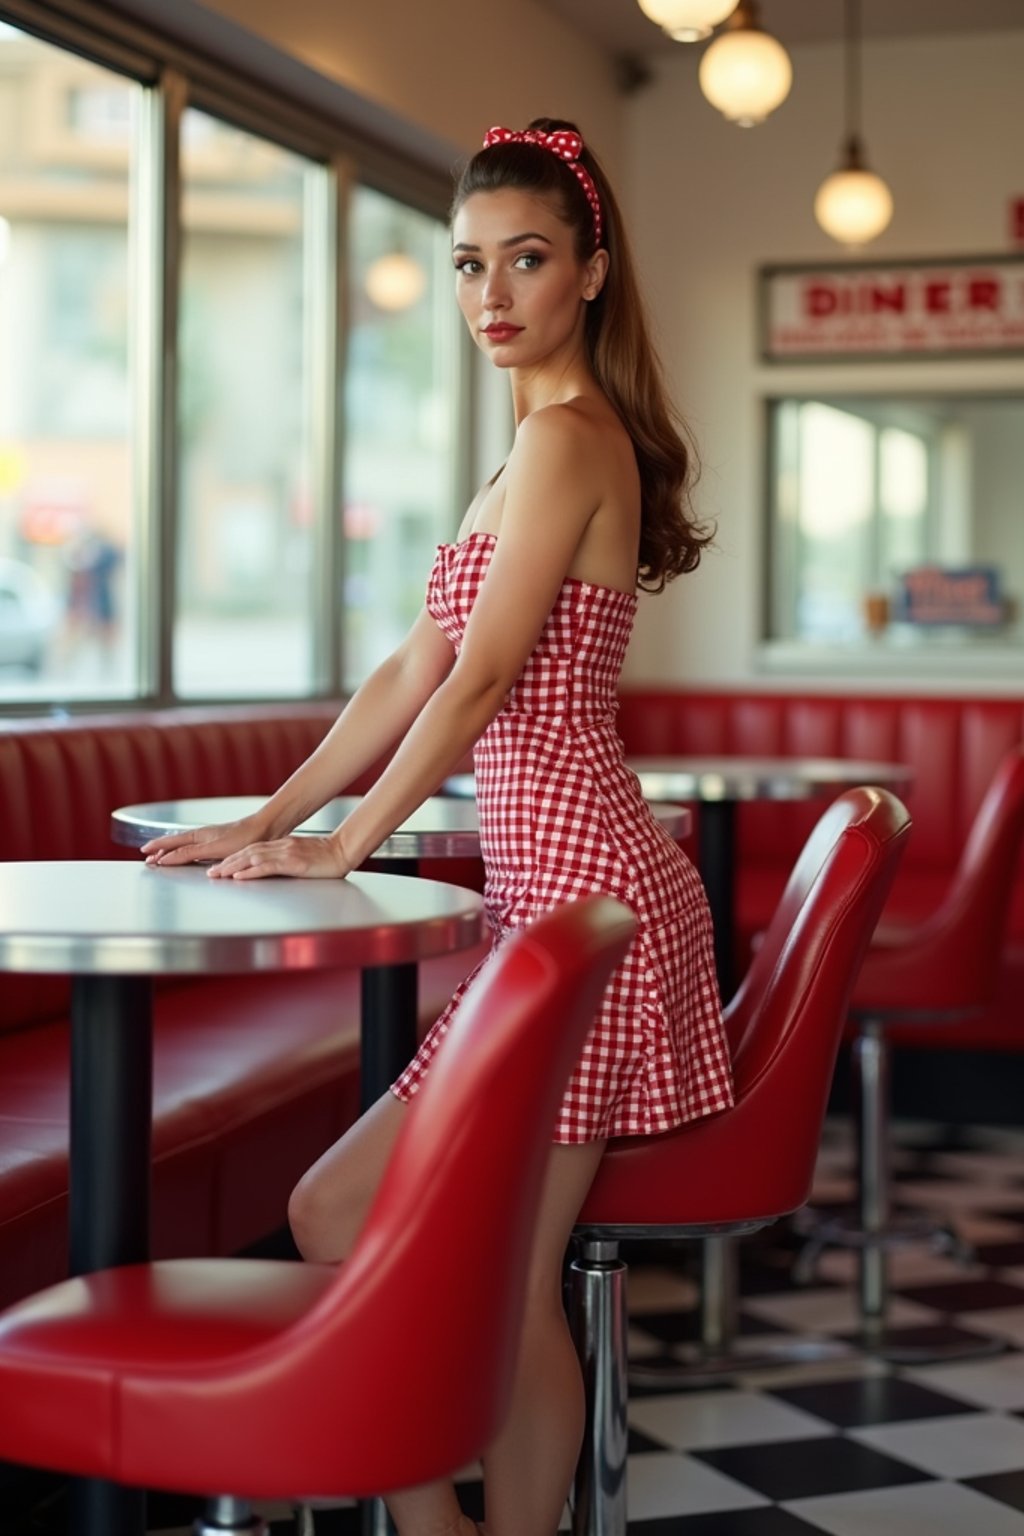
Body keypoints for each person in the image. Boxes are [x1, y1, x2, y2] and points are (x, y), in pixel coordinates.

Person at [142, 118, 734, 1536]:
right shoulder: (521, 454)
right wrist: (272, 813)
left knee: (468, 1264)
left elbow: (477, 685)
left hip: (588, 901)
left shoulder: (572, 442)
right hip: (549, 902)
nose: (492, 295)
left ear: (589, 273)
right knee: (355, 1218)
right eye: (471, 264)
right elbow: (413, 665)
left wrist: (348, 847)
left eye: (526, 260)